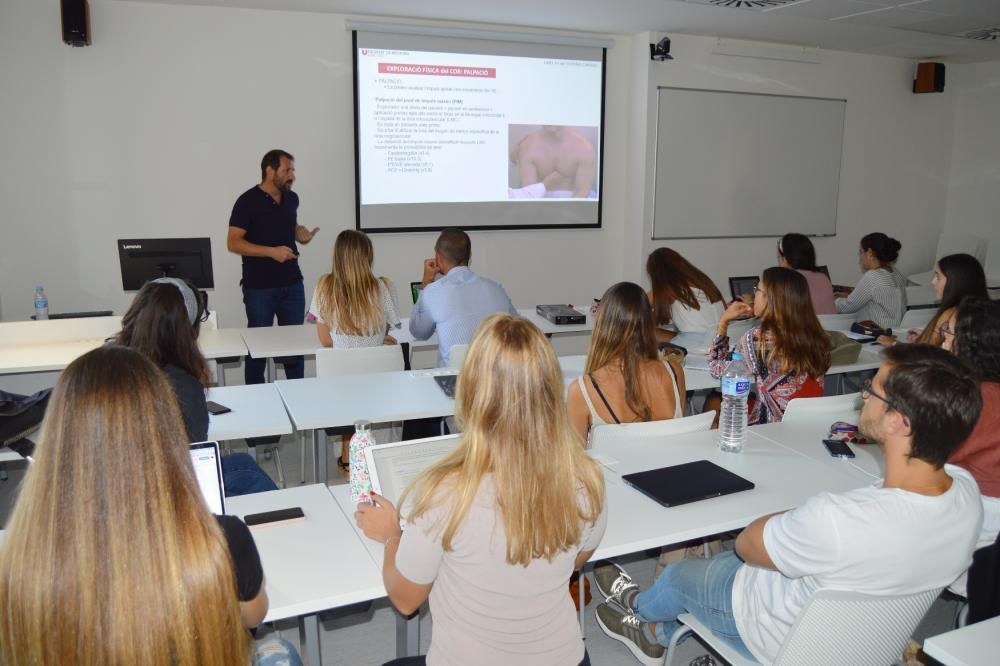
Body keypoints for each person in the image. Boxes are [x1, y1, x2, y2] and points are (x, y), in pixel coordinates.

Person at [593, 344, 983, 666]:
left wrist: (795, 517)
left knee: (680, 577)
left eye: (872, 389)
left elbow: (748, 543)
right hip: (862, 643)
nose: (864, 395)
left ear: (899, 422)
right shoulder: (966, 495)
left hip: (771, 632)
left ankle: (640, 616)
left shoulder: (835, 519)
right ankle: (659, 627)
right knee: (718, 565)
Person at [0, 346, 300, 665]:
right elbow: (254, 616)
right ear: (165, 426)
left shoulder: (21, 560)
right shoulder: (222, 539)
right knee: (283, 652)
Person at [356, 314, 607, 666]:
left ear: (471, 391)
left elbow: (406, 599)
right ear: (551, 389)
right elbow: (577, 558)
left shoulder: (446, 491)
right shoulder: (588, 477)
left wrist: (390, 537)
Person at [113, 278, 278, 496]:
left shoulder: (109, 365)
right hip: (161, 493)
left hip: (119, 483)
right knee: (254, 481)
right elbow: (191, 461)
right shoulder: (182, 386)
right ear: (187, 328)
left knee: (243, 462)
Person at [308, 229, 402, 470]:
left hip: (341, 385)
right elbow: (386, 327)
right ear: (368, 256)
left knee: (346, 389)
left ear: (337, 256)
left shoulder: (324, 286)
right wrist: (374, 342)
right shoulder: (383, 287)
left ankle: (348, 457)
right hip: (379, 383)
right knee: (365, 390)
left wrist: (350, 345)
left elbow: (325, 340)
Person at [228, 149, 320, 384]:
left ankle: (297, 399)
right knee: (258, 348)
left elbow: (287, 226)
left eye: (292, 171)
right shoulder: (246, 201)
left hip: (292, 283)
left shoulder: (292, 198)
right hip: (259, 287)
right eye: (287, 170)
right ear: (270, 171)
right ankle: (255, 399)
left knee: (294, 347)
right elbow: (233, 242)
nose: (292, 176)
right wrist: (271, 252)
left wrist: (300, 233)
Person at [707, 267, 831, 425]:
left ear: (770, 299)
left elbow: (717, 370)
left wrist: (723, 322)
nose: (753, 294)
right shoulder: (817, 336)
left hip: (773, 429)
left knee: (713, 402)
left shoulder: (756, 339)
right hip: (810, 425)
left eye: (757, 289)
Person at [567, 282, 686, 443]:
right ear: (647, 323)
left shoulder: (582, 390)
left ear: (603, 324)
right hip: (670, 466)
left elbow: (576, 462)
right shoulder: (674, 372)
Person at [409, 228, 517, 367]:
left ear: (439, 258)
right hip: (493, 379)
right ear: (470, 256)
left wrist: (425, 284)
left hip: (454, 381)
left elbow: (419, 332)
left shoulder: (432, 292)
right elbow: (517, 327)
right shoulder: (496, 289)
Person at [943, 297, 1000, 555]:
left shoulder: (971, 399)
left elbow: (932, 459)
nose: (943, 340)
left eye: (948, 333)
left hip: (975, 525)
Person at [878, 253, 988, 347]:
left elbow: (928, 356)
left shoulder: (951, 314)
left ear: (955, 283)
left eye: (938, 277)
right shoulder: (984, 312)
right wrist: (926, 338)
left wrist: (894, 344)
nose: (933, 282)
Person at [645, 247, 725, 341]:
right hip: (720, 344)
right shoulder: (705, 283)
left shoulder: (669, 289)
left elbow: (635, 309)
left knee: (643, 331)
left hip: (698, 347)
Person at [834, 232, 907, 329]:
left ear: (869, 253)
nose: (860, 258)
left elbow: (846, 308)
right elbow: (879, 298)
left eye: (860, 252)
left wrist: (834, 299)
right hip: (897, 332)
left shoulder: (872, 276)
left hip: (877, 334)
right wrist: (849, 296)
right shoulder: (897, 274)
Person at [508, 125, 596, 199]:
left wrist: (568, 216)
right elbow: (529, 196)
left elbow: (582, 192)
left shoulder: (584, 147)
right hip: (540, 206)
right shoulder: (527, 146)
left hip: (574, 207)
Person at [776, 233, 835, 314]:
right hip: (830, 326)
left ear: (785, 259)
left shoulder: (788, 283)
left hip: (805, 326)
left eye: (779, 257)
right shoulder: (823, 278)